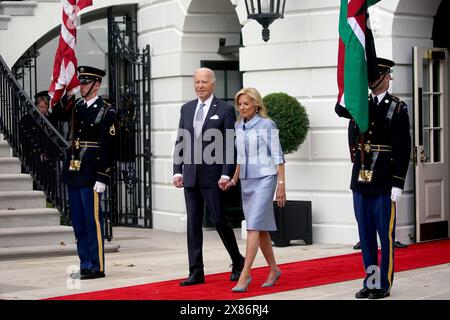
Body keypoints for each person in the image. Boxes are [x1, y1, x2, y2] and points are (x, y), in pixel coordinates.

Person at [173, 67, 245, 286]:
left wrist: (226, 173)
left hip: (214, 176)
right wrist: (177, 170)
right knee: (193, 224)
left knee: (219, 219)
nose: (200, 86)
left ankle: (238, 260)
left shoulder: (224, 109)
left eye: (204, 82)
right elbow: (181, 140)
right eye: (197, 82)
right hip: (191, 175)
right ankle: (196, 271)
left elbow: (230, 145)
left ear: (213, 84)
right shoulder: (186, 109)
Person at [348, 58, 411, 299]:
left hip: (385, 180)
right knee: (365, 235)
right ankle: (371, 281)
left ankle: (383, 284)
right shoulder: (359, 104)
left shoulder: (397, 107)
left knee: (385, 236)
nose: (371, 81)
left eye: (376, 76)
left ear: (387, 78)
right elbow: (352, 134)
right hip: (362, 178)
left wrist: (398, 182)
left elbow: (403, 147)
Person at [225, 87, 286, 293]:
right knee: (260, 231)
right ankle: (274, 269)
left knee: (252, 226)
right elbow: (240, 157)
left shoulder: (267, 124)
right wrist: (233, 180)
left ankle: (245, 274)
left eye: (246, 104)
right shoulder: (238, 125)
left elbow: (278, 156)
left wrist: (281, 186)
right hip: (247, 181)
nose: (242, 107)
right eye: (240, 104)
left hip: (266, 178)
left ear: (256, 105)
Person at [62, 65, 117, 280]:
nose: (81, 86)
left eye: (85, 83)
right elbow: (56, 113)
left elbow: (108, 146)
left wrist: (103, 176)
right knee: (78, 221)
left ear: (96, 85)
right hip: (75, 169)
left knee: (92, 220)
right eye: (80, 82)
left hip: (92, 171)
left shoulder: (106, 110)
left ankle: (97, 266)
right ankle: (84, 263)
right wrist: (64, 93)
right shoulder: (77, 106)